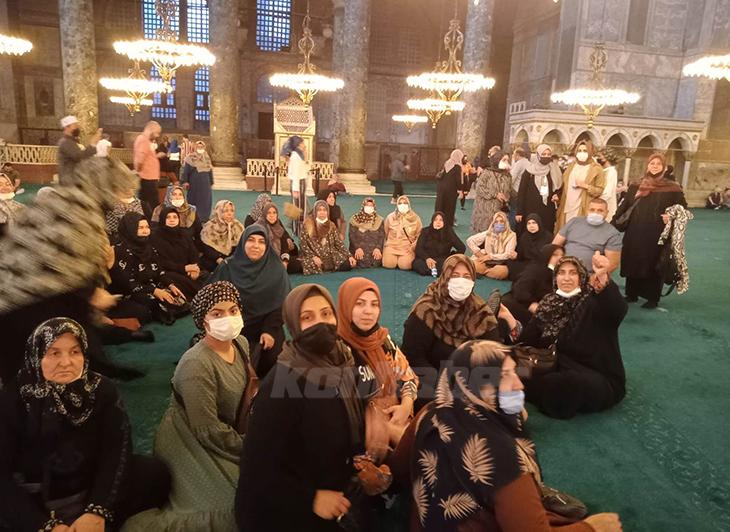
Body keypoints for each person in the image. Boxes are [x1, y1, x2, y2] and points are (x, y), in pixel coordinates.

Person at [397, 339, 622, 532]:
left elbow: (397, 472)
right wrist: (592, 527)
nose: (519, 384)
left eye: (514, 372)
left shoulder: (430, 412)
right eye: (505, 375)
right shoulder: (499, 454)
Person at [0, 318, 170, 532]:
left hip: (89, 490)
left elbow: (116, 452)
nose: (66, 362)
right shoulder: (15, 399)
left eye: (75, 352)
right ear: (36, 355)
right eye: (54, 353)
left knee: (152, 473)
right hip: (37, 501)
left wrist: (97, 510)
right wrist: (42, 525)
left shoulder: (101, 390)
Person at [236, 284, 374, 531]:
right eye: (307, 317)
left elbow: (367, 396)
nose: (321, 324)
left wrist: (375, 419)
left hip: (339, 488)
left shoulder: (343, 358)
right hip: (291, 506)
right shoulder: (282, 383)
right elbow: (257, 470)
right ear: (293, 325)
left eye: (326, 314)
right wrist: (311, 499)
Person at [0, 157, 146, 385]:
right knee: (30, 372)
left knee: (75, 323)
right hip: (25, 297)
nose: (118, 197)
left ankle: (99, 368)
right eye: (117, 189)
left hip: (23, 291)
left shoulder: (64, 199)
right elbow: (59, 260)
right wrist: (92, 293)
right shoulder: (78, 208)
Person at [123, 283, 253, 532]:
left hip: (228, 431)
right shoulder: (196, 364)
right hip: (190, 438)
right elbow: (207, 430)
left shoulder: (241, 344)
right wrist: (250, 445)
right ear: (203, 320)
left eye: (233, 310)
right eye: (217, 313)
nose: (228, 318)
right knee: (231, 509)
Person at [519, 254, 627, 419]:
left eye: (573, 273)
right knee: (511, 367)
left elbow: (617, 310)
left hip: (592, 371)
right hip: (553, 362)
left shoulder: (593, 300)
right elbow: (529, 339)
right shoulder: (549, 302)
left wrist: (604, 280)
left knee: (563, 383)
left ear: (581, 277)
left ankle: (529, 391)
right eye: (561, 273)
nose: (566, 278)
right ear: (555, 277)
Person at [401, 255, 504, 407]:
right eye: (455, 275)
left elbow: (494, 355)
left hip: (469, 379)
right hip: (433, 377)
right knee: (426, 398)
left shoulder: (480, 312)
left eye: (466, 277)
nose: (461, 281)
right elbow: (413, 357)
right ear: (445, 277)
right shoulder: (427, 309)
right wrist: (446, 386)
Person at [337, 277, 419, 461]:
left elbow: (408, 376)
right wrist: (384, 428)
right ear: (345, 305)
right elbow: (336, 412)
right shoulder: (336, 350)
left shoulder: (382, 340)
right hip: (360, 441)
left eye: (374, 304)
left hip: (396, 421)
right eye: (359, 303)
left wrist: (406, 405)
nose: (368, 311)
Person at [208, 225, 291, 377]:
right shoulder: (227, 267)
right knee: (224, 366)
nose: (256, 246)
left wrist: (269, 331)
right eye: (251, 240)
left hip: (266, 325)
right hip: (232, 326)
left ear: (267, 245)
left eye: (261, 242)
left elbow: (282, 306)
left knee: (270, 362)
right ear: (243, 242)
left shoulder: (276, 269)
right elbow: (209, 301)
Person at [614, 153, 687, 309]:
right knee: (633, 259)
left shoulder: (672, 188)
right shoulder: (636, 185)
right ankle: (631, 293)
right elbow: (626, 205)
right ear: (647, 165)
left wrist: (671, 216)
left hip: (657, 232)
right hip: (635, 230)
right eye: (652, 163)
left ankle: (652, 298)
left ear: (664, 167)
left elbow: (682, 207)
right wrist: (613, 221)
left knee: (654, 263)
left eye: (658, 164)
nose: (654, 166)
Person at [109, 212, 188, 324]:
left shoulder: (149, 248)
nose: (145, 231)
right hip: (130, 292)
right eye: (140, 228)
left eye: (147, 227)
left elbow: (159, 271)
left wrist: (170, 285)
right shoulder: (120, 251)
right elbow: (128, 284)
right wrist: (154, 291)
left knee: (177, 289)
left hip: (150, 285)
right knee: (149, 305)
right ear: (130, 230)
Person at [150, 206, 206, 301]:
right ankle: (202, 298)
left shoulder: (184, 234)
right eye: (168, 217)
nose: (172, 220)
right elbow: (161, 261)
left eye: (175, 217)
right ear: (163, 219)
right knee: (183, 282)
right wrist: (184, 268)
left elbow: (193, 253)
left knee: (205, 276)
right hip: (169, 272)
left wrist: (195, 268)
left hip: (189, 270)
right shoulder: (155, 237)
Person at [553, 198, 622, 274]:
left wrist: (595, 278)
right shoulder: (574, 221)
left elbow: (613, 264)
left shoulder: (612, 233)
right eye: (592, 210)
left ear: (606, 213)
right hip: (562, 270)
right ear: (587, 211)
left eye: (600, 211)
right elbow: (554, 245)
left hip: (587, 274)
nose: (595, 213)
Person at [502, 244, 565, 324]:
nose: (560, 258)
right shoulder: (535, 270)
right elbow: (520, 290)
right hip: (522, 304)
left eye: (562, 255)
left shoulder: (559, 276)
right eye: (555, 255)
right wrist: (532, 305)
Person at [555, 140, 605, 233]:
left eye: (585, 151)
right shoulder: (571, 166)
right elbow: (564, 184)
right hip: (567, 205)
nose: (582, 153)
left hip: (583, 206)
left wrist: (585, 186)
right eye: (579, 150)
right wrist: (557, 195)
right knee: (565, 232)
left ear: (590, 152)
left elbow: (599, 190)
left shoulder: (597, 169)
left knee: (578, 233)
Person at [296, 199, 356, 274]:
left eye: (324, 210)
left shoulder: (331, 225)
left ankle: (324, 266)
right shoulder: (308, 224)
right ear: (315, 211)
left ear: (327, 212)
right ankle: (324, 266)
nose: (322, 212)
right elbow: (303, 244)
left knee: (348, 264)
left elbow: (338, 243)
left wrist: (349, 256)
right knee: (304, 264)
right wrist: (313, 257)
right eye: (319, 210)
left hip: (330, 256)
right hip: (313, 256)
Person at [516, 144, 562, 234]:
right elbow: (522, 192)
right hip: (531, 208)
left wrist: (557, 195)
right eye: (543, 154)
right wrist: (519, 212)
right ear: (538, 155)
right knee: (531, 231)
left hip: (548, 208)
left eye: (548, 154)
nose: (546, 156)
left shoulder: (554, 169)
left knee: (547, 231)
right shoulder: (529, 171)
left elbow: (559, 187)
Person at [467, 211, 517, 280]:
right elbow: (470, 240)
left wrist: (490, 256)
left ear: (505, 223)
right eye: (496, 222)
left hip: (501, 263)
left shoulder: (512, 235)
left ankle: (482, 272)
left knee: (502, 272)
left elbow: (507, 254)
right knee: (472, 264)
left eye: (501, 221)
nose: (499, 224)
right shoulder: (489, 232)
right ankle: (487, 271)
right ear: (493, 223)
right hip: (485, 261)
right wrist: (479, 254)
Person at [413, 211, 466, 276]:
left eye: (441, 220)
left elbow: (462, 248)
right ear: (432, 221)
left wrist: (451, 257)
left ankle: (432, 270)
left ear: (444, 222)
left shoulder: (449, 232)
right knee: (418, 265)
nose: (438, 222)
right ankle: (437, 271)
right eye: (435, 220)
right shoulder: (425, 231)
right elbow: (419, 248)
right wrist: (427, 258)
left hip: (441, 260)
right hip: (426, 259)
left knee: (446, 264)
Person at [199, 199, 245, 273]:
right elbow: (205, 247)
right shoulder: (210, 226)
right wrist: (218, 258)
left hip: (232, 258)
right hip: (213, 259)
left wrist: (231, 259)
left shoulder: (238, 226)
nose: (229, 213)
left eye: (232, 211)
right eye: (226, 211)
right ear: (218, 212)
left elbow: (240, 247)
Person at [471, 152, 512, 233]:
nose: (506, 162)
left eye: (507, 160)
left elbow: (509, 189)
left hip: (500, 209)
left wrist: (506, 197)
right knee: (484, 233)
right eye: (504, 160)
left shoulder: (507, 175)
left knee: (498, 232)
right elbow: (479, 188)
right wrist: (495, 194)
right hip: (485, 209)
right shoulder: (487, 173)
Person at [507, 212, 554, 280]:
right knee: (510, 262)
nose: (531, 226)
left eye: (534, 223)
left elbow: (549, 256)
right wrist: (516, 256)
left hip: (541, 264)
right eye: (529, 223)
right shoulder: (524, 237)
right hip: (527, 263)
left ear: (539, 223)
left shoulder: (548, 237)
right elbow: (521, 255)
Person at [57, 115, 102, 184]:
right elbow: (78, 156)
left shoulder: (71, 141)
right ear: (66, 128)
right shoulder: (65, 142)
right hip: (69, 181)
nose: (77, 127)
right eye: (75, 125)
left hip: (75, 178)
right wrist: (92, 144)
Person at [383, 195, 422, 270]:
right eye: (400, 203)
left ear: (409, 205)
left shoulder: (415, 218)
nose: (402, 205)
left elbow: (419, 234)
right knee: (388, 264)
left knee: (405, 266)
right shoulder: (390, 217)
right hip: (391, 246)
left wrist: (413, 246)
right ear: (397, 205)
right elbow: (386, 233)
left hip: (407, 248)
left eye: (405, 203)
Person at [255, 202, 299, 269]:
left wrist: (285, 261)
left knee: (297, 257)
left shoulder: (277, 225)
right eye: (269, 213)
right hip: (264, 261)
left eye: (274, 213)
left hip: (279, 257)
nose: (272, 215)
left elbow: (284, 243)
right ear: (264, 214)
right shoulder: (259, 227)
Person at [181, 141, 214, 221]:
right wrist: (185, 181)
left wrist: (211, 181)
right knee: (194, 199)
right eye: (198, 147)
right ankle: (193, 217)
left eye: (201, 147)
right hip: (195, 183)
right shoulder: (190, 157)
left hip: (206, 184)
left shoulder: (207, 157)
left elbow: (210, 171)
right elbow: (186, 171)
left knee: (206, 200)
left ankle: (204, 217)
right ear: (195, 147)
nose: (200, 148)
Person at [348, 197, 385, 269]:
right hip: (359, 248)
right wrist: (357, 248)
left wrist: (378, 248)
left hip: (373, 248)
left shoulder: (379, 220)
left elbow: (381, 236)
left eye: (371, 206)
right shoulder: (355, 219)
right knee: (359, 260)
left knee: (376, 261)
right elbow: (351, 236)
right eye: (367, 205)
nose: (369, 207)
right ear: (363, 206)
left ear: (374, 207)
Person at [134, 121, 163, 210]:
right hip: (147, 178)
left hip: (149, 178)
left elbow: (146, 157)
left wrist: (156, 156)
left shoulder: (146, 141)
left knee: (146, 204)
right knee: (152, 204)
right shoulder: (143, 140)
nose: (157, 135)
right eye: (157, 133)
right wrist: (138, 171)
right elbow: (140, 159)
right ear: (151, 130)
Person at [283, 135, 309, 235]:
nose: (304, 145)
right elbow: (295, 174)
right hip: (298, 184)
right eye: (302, 143)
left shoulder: (299, 155)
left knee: (301, 206)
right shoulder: (295, 156)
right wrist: (296, 189)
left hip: (300, 183)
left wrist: (305, 155)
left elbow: (305, 168)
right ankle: (298, 230)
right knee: (299, 208)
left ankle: (299, 229)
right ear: (297, 144)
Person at [434, 149, 462, 228]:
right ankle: (448, 223)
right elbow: (458, 180)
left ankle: (437, 222)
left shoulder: (447, 163)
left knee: (440, 205)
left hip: (441, 189)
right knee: (449, 207)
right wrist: (460, 189)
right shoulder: (457, 167)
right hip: (451, 190)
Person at [596, 152, 618, 221]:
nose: (598, 158)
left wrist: (596, 201)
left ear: (607, 158)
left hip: (605, 204)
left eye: (600, 156)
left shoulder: (611, 172)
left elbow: (607, 192)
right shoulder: (604, 171)